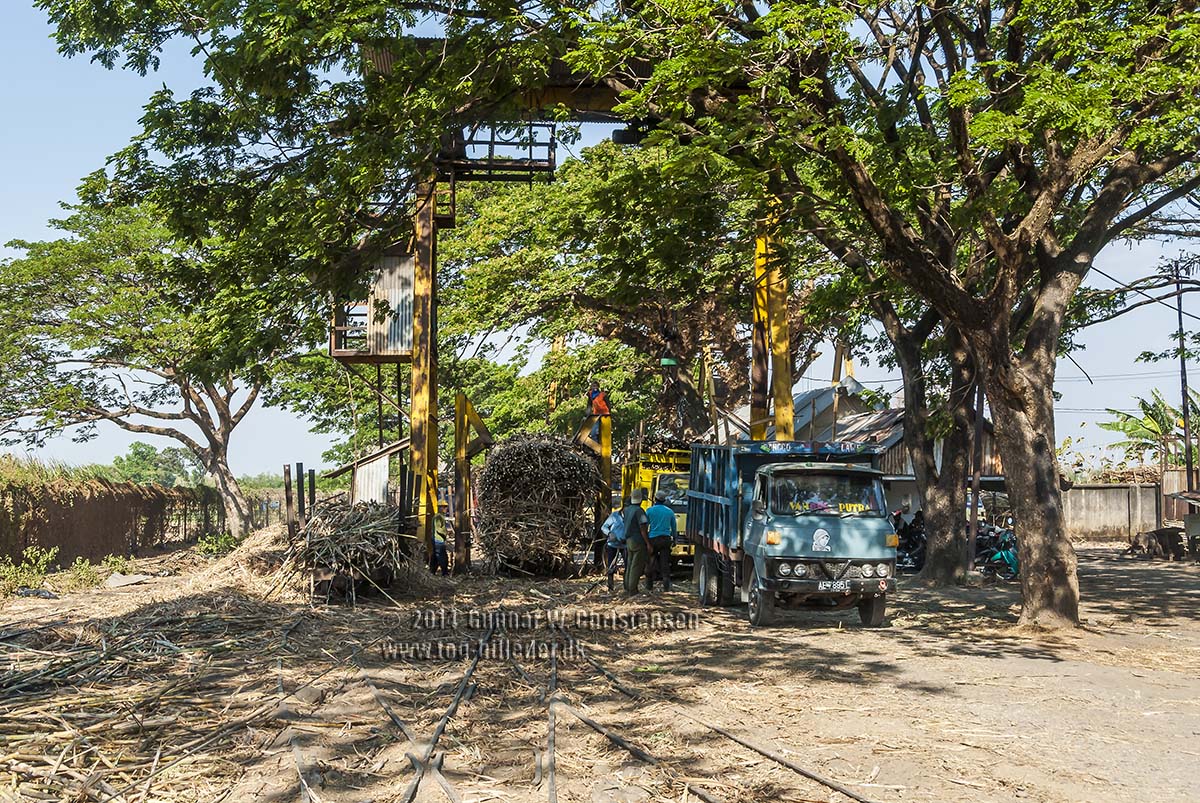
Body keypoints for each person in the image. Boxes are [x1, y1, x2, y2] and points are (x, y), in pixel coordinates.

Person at [644, 489, 677, 592]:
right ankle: (666, 585)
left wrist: (646, 540)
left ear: (655, 499)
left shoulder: (649, 511)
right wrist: (675, 539)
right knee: (665, 562)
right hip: (665, 539)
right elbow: (674, 527)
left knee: (651, 561)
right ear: (664, 500)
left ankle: (649, 585)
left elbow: (645, 526)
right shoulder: (670, 512)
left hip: (653, 539)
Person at [621, 488, 652, 595]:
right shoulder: (639, 511)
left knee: (629, 564)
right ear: (641, 499)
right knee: (636, 566)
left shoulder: (627, 510)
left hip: (629, 540)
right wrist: (648, 543)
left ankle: (627, 586)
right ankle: (633, 589)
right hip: (638, 540)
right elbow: (643, 529)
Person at [600, 507, 627, 592]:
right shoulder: (614, 515)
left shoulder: (631, 517)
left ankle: (627, 586)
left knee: (628, 565)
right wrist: (609, 533)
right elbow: (604, 527)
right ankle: (610, 586)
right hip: (612, 544)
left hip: (625, 545)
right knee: (611, 566)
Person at [430, 501, 450, 576]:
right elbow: (438, 529)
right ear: (440, 508)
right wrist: (445, 532)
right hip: (438, 540)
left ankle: (432, 572)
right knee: (442, 557)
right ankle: (444, 572)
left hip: (436, 539)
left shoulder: (439, 516)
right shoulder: (438, 517)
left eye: (446, 507)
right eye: (444, 507)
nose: (446, 509)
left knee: (435, 557)